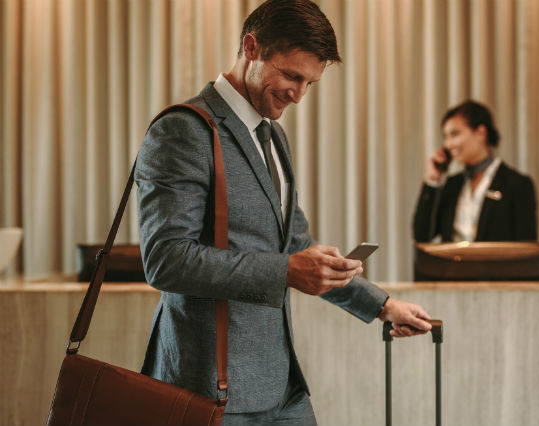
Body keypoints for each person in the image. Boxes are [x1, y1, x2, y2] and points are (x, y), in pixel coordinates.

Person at [135, 1, 432, 424]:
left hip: (282, 385)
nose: (299, 94)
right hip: (210, 389)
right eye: (292, 75)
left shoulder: (273, 136)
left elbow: (295, 247)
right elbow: (165, 261)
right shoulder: (184, 129)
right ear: (251, 47)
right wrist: (286, 271)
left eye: (310, 82)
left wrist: (382, 305)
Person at [413, 100, 538, 243]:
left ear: (480, 133)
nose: (448, 144)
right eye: (446, 137)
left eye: (455, 134)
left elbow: (527, 249)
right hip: (452, 265)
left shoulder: (516, 184)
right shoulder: (452, 185)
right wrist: (433, 180)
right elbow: (422, 235)